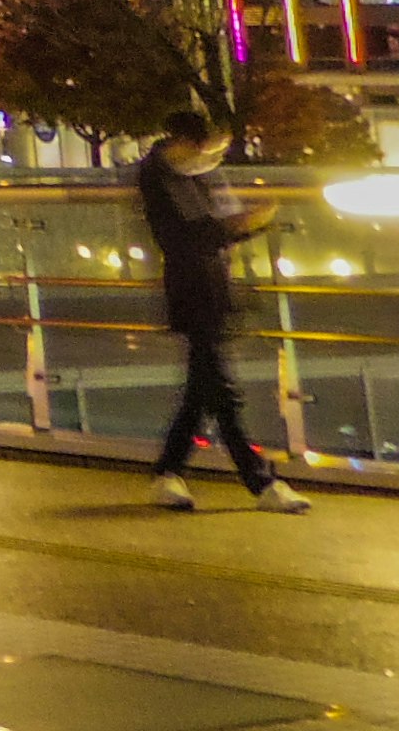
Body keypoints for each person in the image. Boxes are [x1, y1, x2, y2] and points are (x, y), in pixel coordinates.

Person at [137, 108, 312, 512]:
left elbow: (207, 232)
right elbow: (188, 236)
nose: (207, 154)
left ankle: (167, 474)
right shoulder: (162, 174)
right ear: (183, 141)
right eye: (202, 145)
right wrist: (242, 224)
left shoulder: (188, 172)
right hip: (193, 292)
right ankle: (261, 483)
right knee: (222, 394)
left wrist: (245, 224)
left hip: (210, 290)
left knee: (203, 393)